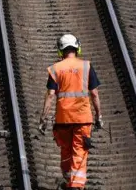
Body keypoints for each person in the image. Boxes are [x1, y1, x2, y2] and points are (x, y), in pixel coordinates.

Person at [41, 33, 103, 190]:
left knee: (66, 150)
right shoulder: (86, 66)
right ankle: (75, 185)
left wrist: (43, 118)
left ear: (60, 51)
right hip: (83, 118)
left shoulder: (55, 69)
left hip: (63, 119)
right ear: (77, 48)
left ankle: (68, 177)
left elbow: (50, 96)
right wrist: (98, 116)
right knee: (80, 151)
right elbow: (94, 94)